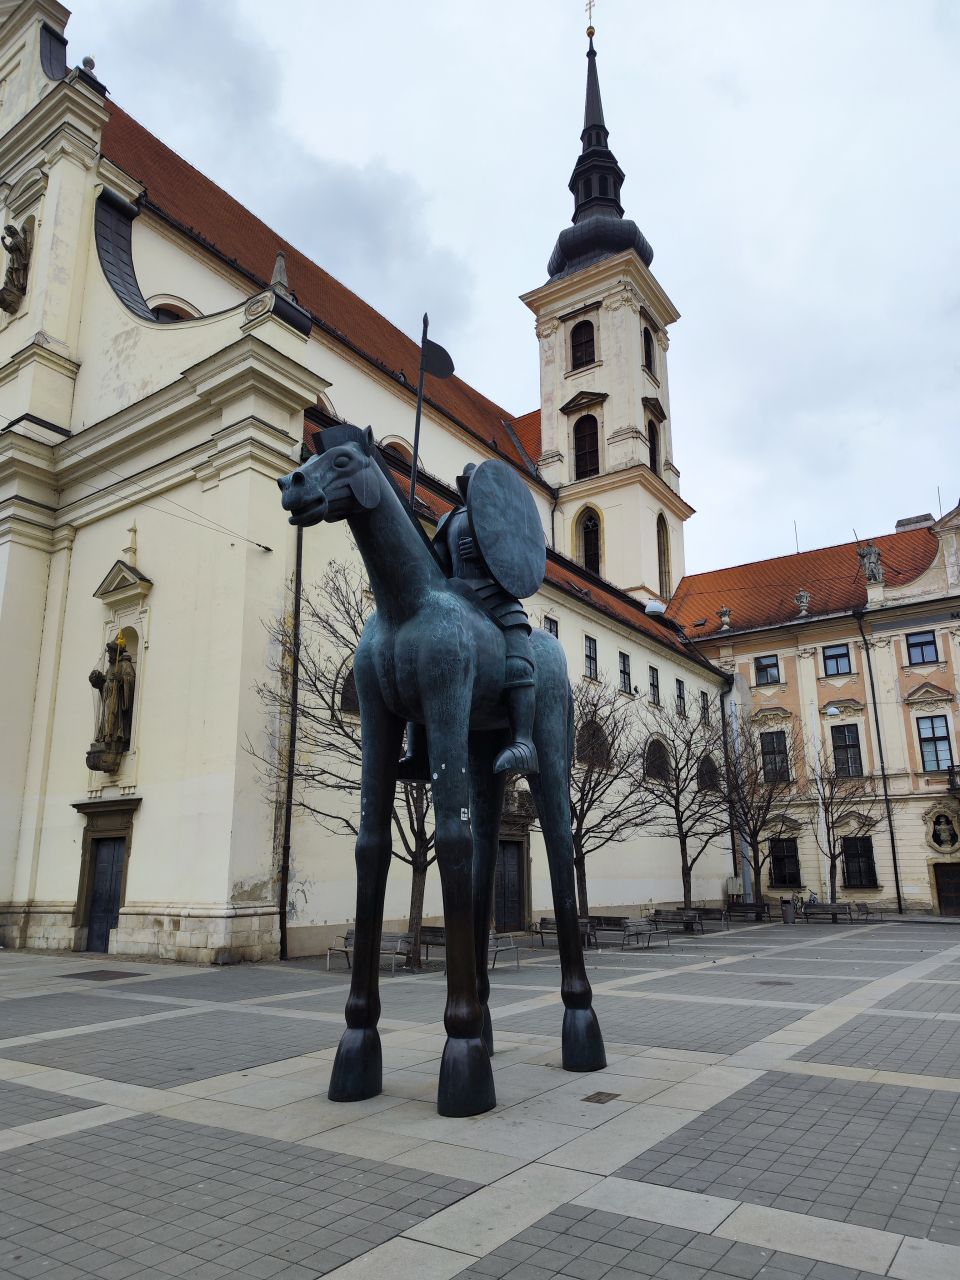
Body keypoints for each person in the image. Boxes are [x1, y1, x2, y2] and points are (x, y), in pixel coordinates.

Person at [397, 464, 538, 780]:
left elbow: (519, 555)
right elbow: (439, 565)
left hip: (495, 596)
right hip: (457, 596)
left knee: (518, 657)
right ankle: (417, 753)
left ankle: (523, 740)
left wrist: (487, 550)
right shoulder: (449, 519)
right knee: (426, 662)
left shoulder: (503, 517)